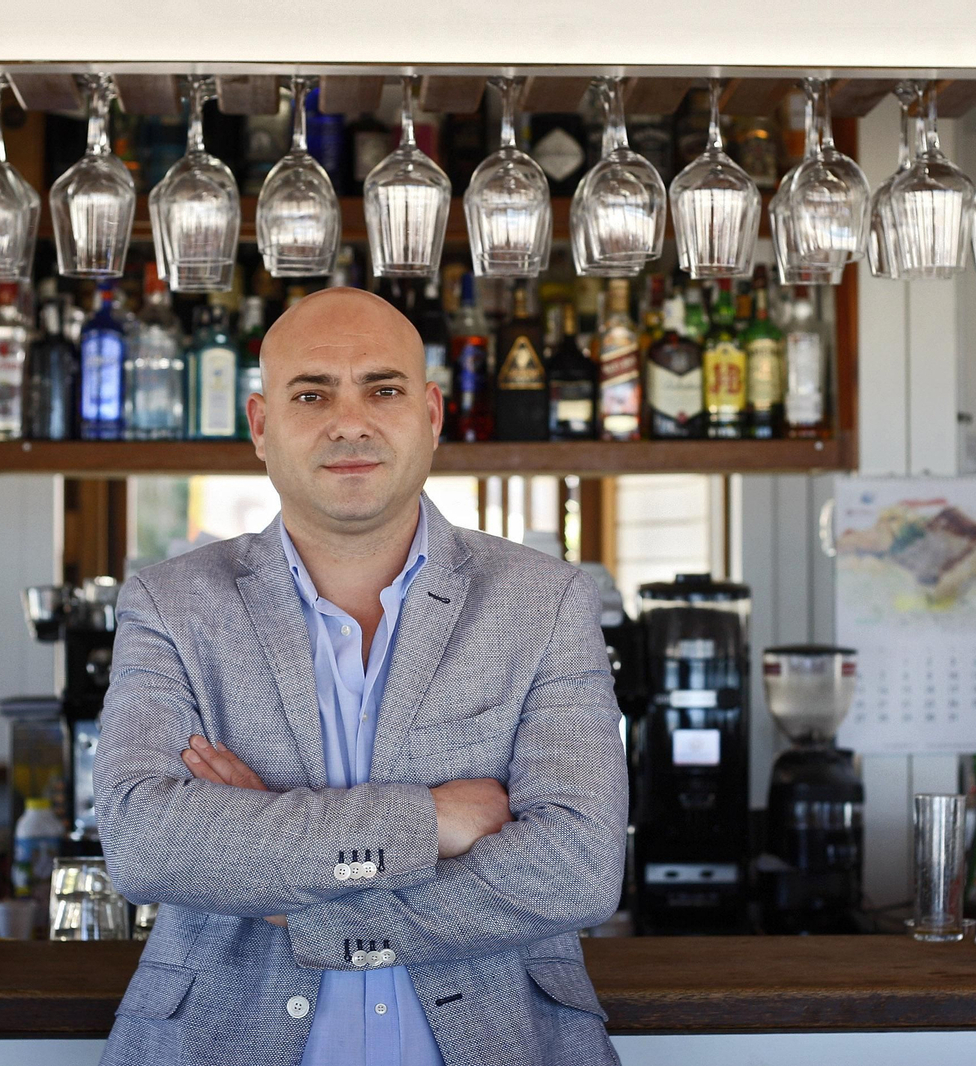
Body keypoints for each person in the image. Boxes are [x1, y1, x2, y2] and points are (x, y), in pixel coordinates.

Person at [94, 287, 627, 1066]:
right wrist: (430, 824)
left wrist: (296, 904)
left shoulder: (544, 601)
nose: (351, 420)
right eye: (312, 393)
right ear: (261, 425)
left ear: (433, 415)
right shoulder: (170, 605)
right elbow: (144, 842)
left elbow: (577, 866)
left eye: (383, 389)